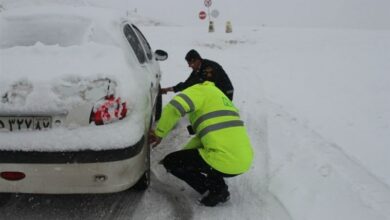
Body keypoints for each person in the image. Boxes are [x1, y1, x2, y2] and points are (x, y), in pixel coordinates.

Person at [149, 81, 253, 207]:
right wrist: (182, 154)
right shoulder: (219, 98)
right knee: (206, 158)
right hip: (242, 161)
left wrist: (159, 134)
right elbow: (201, 140)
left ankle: (216, 191)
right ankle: (218, 186)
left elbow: (174, 107)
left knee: (173, 162)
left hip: (224, 160)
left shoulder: (199, 90)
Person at [161, 49, 234, 100]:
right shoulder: (198, 69)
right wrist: (168, 89)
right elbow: (187, 84)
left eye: (190, 63)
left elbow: (207, 87)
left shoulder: (209, 68)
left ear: (197, 60)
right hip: (216, 92)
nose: (189, 66)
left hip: (226, 93)